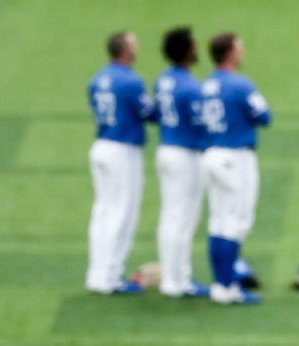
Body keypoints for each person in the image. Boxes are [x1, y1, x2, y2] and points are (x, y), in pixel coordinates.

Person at [199, 33, 271, 305]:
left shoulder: (206, 85)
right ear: (229, 53)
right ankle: (227, 287)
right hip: (235, 156)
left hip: (211, 153)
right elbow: (264, 116)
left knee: (218, 220)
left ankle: (221, 283)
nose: (242, 52)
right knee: (235, 222)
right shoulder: (241, 85)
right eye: (239, 48)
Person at [86, 32, 156, 294]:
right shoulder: (130, 81)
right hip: (122, 148)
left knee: (102, 211)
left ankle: (96, 273)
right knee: (122, 212)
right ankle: (111, 276)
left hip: (101, 145)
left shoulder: (97, 79)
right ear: (126, 50)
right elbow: (148, 112)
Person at [154, 27, 209, 298]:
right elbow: (201, 124)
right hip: (185, 154)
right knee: (184, 218)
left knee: (169, 216)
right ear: (187, 50)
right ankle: (178, 280)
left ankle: (172, 277)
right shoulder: (190, 86)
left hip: (165, 148)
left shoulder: (163, 80)